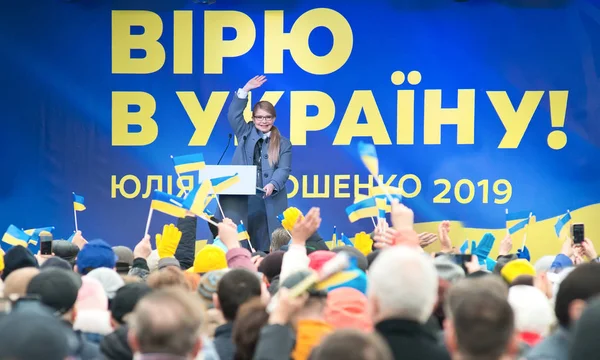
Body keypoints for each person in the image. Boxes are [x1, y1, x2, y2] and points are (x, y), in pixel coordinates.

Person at [223, 75, 292, 251]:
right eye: (259, 117)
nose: (264, 121)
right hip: (243, 198)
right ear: (253, 119)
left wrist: (273, 184)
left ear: (274, 119)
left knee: (269, 244)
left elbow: (283, 169)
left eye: (268, 117)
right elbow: (233, 114)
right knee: (242, 242)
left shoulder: (283, 143)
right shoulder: (244, 132)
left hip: (269, 198)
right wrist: (245, 90)